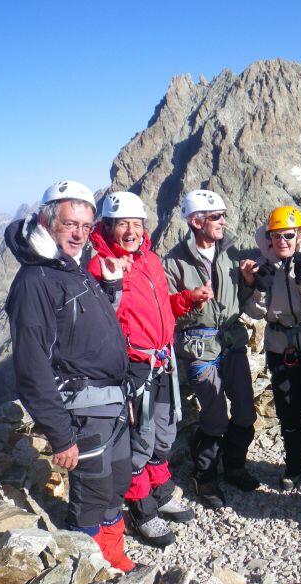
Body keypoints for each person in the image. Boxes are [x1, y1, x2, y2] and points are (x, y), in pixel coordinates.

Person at [5, 181, 135, 571]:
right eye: (69, 224)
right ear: (46, 222)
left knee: (117, 480)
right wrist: (61, 436)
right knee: (93, 491)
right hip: (83, 407)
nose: (79, 234)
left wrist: (110, 288)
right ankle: (88, 570)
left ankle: (113, 556)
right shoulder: (35, 281)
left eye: (86, 226)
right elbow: (32, 367)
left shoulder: (69, 268)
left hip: (111, 400)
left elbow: (81, 329)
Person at [88, 191, 210, 546]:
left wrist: (187, 299)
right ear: (108, 227)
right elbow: (97, 320)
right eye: (122, 224)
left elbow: (161, 308)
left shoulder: (149, 260)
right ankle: (142, 510)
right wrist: (111, 282)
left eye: (136, 224)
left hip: (162, 360)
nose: (131, 231)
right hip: (135, 367)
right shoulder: (100, 267)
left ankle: (160, 489)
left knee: (165, 432)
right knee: (140, 440)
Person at [163, 190, 259, 508]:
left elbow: (238, 301)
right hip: (199, 346)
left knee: (245, 412)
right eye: (216, 216)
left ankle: (234, 467)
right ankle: (204, 476)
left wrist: (247, 282)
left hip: (231, 342)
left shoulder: (230, 253)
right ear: (196, 221)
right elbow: (166, 312)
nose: (223, 222)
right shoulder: (174, 262)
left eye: (223, 216)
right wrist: (191, 301)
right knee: (216, 419)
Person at [242, 206, 301, 489]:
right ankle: (295, 465)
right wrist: (260, 288)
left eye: (288, 235)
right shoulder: (263, 268)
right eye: (276, 235)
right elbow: (254, 312)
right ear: (269, 238)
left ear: (300, 236)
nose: (282, 241)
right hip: (280, 346)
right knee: (288, 409)